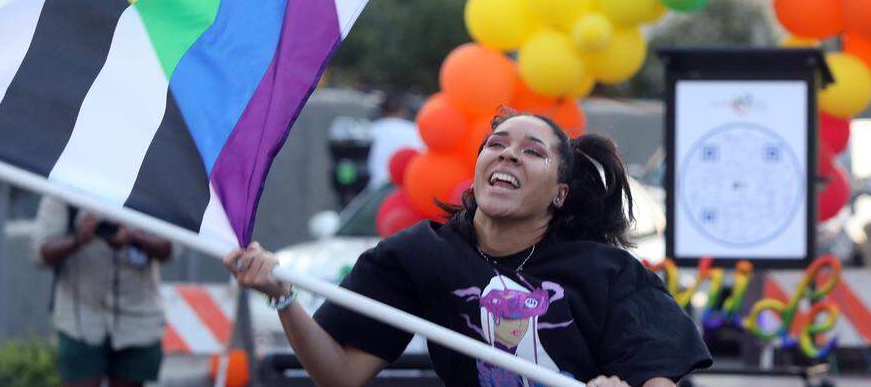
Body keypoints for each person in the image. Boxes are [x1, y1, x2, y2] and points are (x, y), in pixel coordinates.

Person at [225, 108, 712, 387]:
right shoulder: (419, 255)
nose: (507, 154)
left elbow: (657, 376)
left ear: (560, 193)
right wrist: (281, 297)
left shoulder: (607, 272)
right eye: (496, 144)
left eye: (532, 151)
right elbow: (342, 377)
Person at [33, 197, 174, 387]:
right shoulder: (65, 182)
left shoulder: (152, 183)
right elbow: (40, 253)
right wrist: (79, 238)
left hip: (137, 319)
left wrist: (133, 238)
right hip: (80, 318)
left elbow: (171, 247)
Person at [365, 91, 423, 189]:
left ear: (381, 110)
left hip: (374, 191)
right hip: (406, 191)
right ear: (403, 110)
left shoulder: (370, 130)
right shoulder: (416, 131)